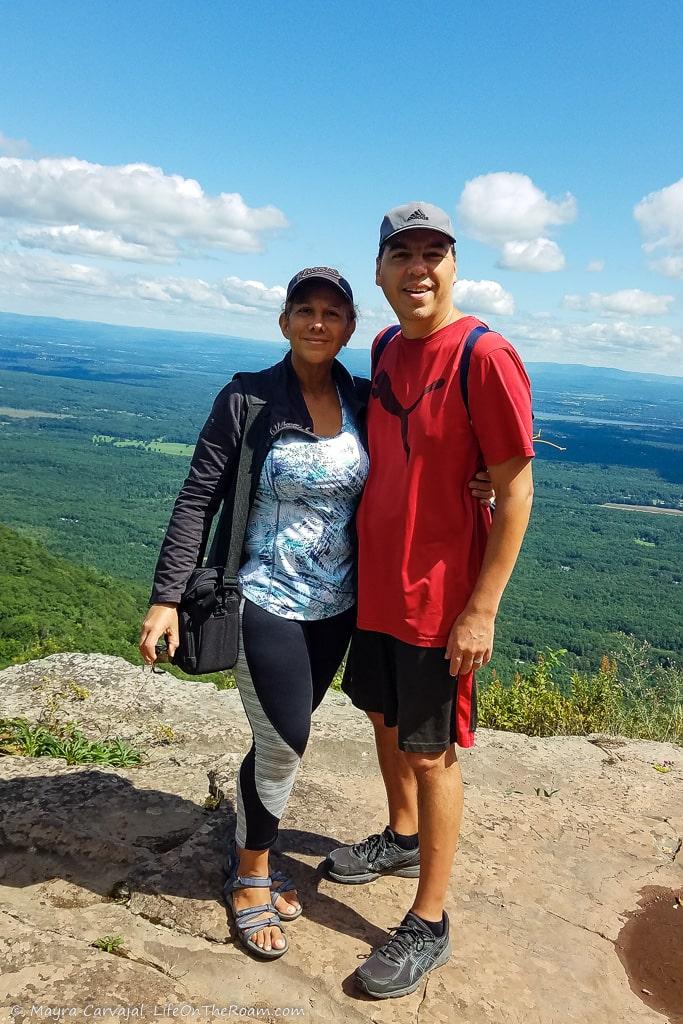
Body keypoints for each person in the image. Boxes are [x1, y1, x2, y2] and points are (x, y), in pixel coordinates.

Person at [139, 263, 497, 961]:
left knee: (286, 736)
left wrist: (480, 476)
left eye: (331, 313)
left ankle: (261, 849)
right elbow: (196, 497)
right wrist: (166, 596)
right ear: (284, 322)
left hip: (341, 606)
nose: (316, 322)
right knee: (284, 742)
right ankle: (249, 878)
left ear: (348, 329)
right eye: (303, 310)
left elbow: (423, 448)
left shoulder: (364, 398)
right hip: (262, 598)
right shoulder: (247, 399)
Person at [326, 202, 535, 1000]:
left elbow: (515, 493)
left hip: (439, 598)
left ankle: (429, 921)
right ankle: (402, 837)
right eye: (402, 255)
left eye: (434, 254)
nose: (418, 268)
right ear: (379, 272)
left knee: (429, 749)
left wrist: (480, 609)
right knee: (383, 719)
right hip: (375, 585)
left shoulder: (484, 354)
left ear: (454, 267)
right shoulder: (382, 347)